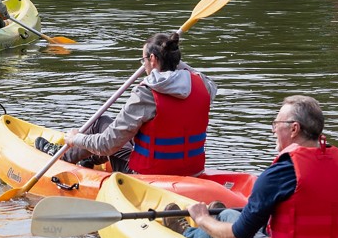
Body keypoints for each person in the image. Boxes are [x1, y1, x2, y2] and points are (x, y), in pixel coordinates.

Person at [176, 95, 338, 238]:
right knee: (239, 216)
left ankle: (188, 233)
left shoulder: (280, 173)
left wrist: (201, 218)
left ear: (294, 129)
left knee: (227, 216)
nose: (273, 130)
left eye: (276, 124)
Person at [39, 31, 216, 175]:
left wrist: (75, 138)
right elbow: (193, 73)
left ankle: (62, 156)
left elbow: (107, 144)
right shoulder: (204, 85)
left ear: (152, 59)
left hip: (147, 175)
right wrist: (170, 59)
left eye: (143, 60)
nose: (143, 66)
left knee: (100, 124)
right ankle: (89, 159)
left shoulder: (146, 93)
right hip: (193, 170)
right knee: (125, 130)